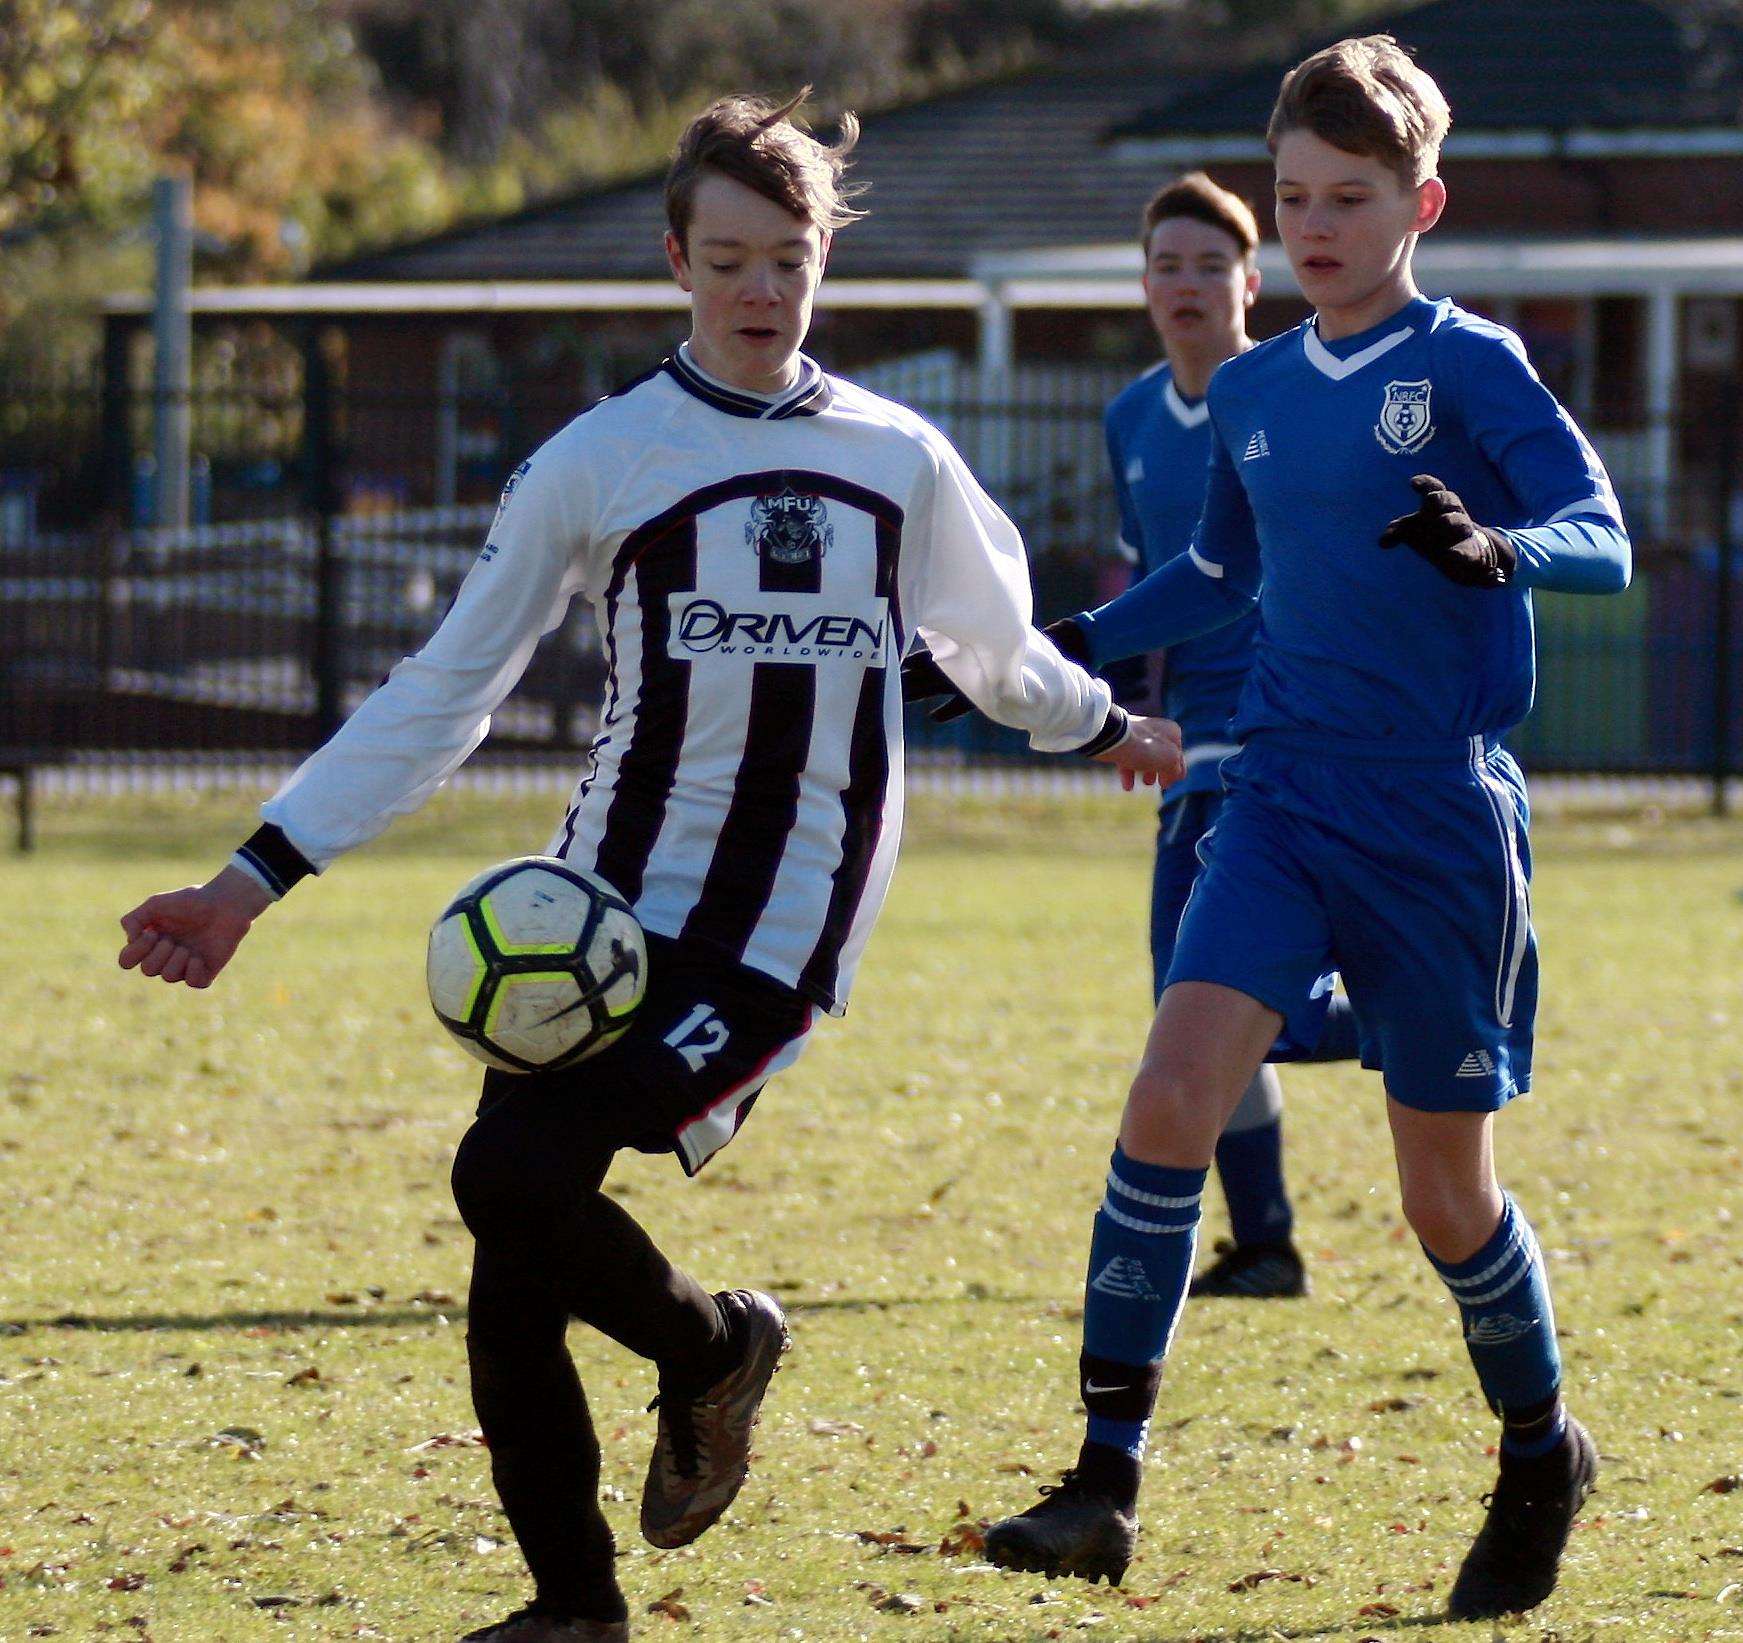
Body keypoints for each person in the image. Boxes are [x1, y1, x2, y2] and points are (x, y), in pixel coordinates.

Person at [115, 89, 1182, 1643]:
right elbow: (441, 691)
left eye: (790, 260)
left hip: (773, 932)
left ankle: (703, 1353)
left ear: (824, 262)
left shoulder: (900, 458)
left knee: (507, 1174)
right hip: (597, 916)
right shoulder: (599, 458)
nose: (761, 292)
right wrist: (246, 881)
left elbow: (996, 651)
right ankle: (577, 1603)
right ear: (676, 259)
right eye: (730, 259)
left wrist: (1104, 729)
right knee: (514, 1246)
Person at [977, 36, 1629, 1622]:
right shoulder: (1255, 388)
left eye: (1350, 196)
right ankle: (1101, 1479)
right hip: (1276, 791)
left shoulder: (1470, 366)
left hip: (1435, 817)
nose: (1317, 223)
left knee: (1440, 1198)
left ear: (1422, 202)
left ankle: (1539, 1448)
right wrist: (1049, 641)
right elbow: (1214, 575)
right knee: (1166, 1096)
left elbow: (1602, 537)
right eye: (1295, 196)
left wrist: (1501, 546)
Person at [908, 173, 1362, 1299]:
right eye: (1167, 264)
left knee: (1201, 995)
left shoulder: (1292, 394)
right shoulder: (1130, 419)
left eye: (1211, 264)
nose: (1188, 284)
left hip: (1284, 730)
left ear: (1250, 283)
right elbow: (1164, 584)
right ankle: (1266, 1239)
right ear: (1143, 284)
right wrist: (1120, 719)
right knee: (1186, 996)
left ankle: (1395, 1015)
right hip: (1191, 733)